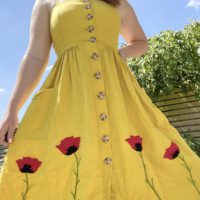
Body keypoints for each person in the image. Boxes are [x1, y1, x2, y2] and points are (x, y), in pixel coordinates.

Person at [0, 0, 200, 199]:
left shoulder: (117, 3)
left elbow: (140, 42)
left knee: (137, 154)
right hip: (70, 98)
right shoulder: (47, 2)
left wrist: (119, 54)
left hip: (118, 95)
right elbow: (35, 56)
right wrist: (12, 108)